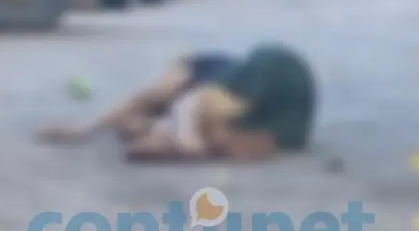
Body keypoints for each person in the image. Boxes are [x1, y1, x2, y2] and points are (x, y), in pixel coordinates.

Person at [39, 44, 317, 162]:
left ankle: (148, 128)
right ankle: (149, 129)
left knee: (160, 94)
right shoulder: (187, 105)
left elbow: (158, 101)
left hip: (212, 76)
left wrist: (84, 130)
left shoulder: (193, 85)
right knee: (162, 101)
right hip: (226, 87)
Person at [36, 52, 237, 145]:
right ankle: (88, 128)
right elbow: (184, 106)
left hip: (192, 105)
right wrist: (84, 131)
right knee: (158, 93)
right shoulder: (209, 96)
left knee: (147, 125)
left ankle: (142, 123)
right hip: (200, 70)